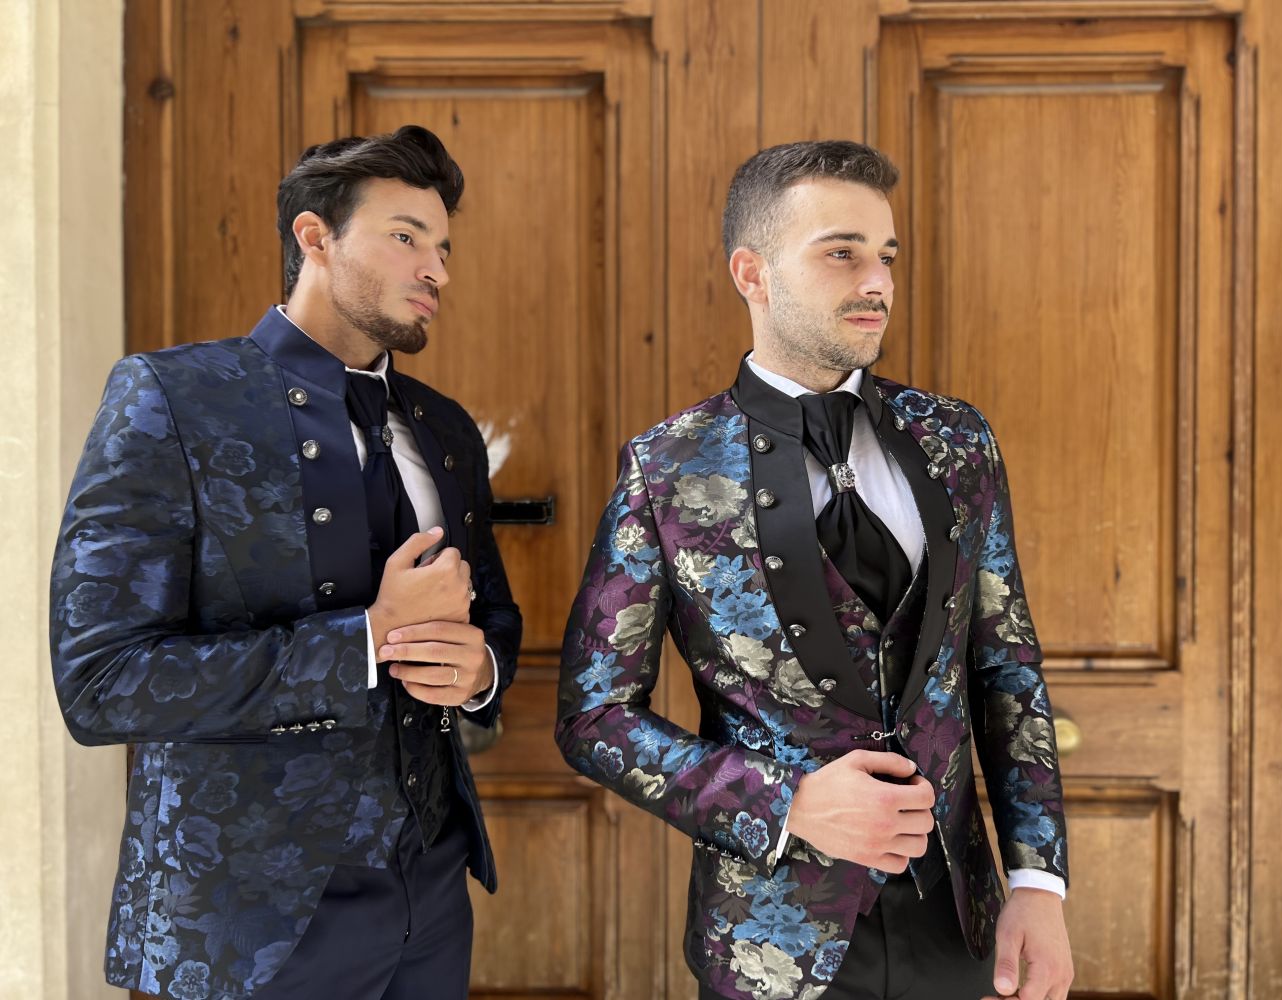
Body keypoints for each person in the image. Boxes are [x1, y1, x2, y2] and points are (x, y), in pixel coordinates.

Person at [556, 140, 1073, 1000]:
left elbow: (1005, 668)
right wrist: (784, 803)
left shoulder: (956, 440)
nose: (876, 282)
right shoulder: (667, 468)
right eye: (841, 253)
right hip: (769, 941)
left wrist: (1037, 880)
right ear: (751, 273)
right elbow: (594, 718)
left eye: (886, 256)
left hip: (956, 925)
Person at [49, 124, 520, 999]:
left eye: (444, 248)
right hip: (241, 920)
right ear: (315, 237)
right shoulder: (172, 399)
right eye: (406, 237)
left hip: (431, 894)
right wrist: (364, 640)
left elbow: (491, 612)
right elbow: (101, 684)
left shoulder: (444, 428)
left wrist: (480, 669)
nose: (436, 271)